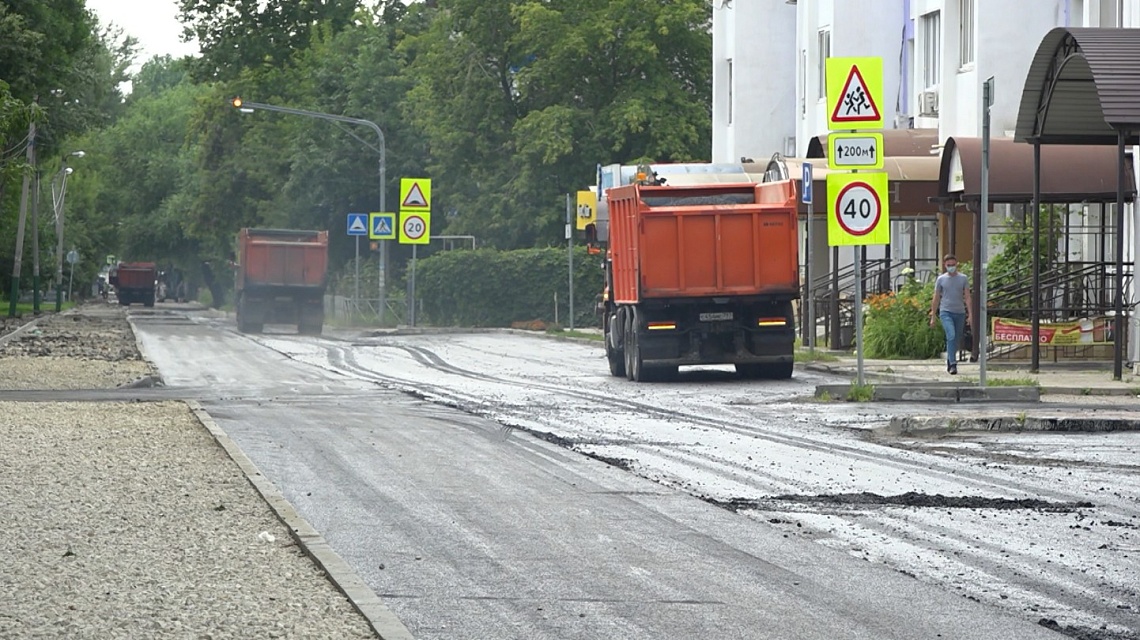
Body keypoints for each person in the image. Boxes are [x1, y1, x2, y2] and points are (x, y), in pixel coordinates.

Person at [929, 254, 973, 375]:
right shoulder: (941, 279)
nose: (951, 267)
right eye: (949, 265)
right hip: (946, 311)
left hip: (960, 312)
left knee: (956, 339)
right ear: (945, 265)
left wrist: (970, 314)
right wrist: (933, 316)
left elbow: (967, 296)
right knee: (951, 335)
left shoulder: (963, 278)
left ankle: (950, 360)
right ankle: (953, 364)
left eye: (953, 265)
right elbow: (936, 298)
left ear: (956, 264)